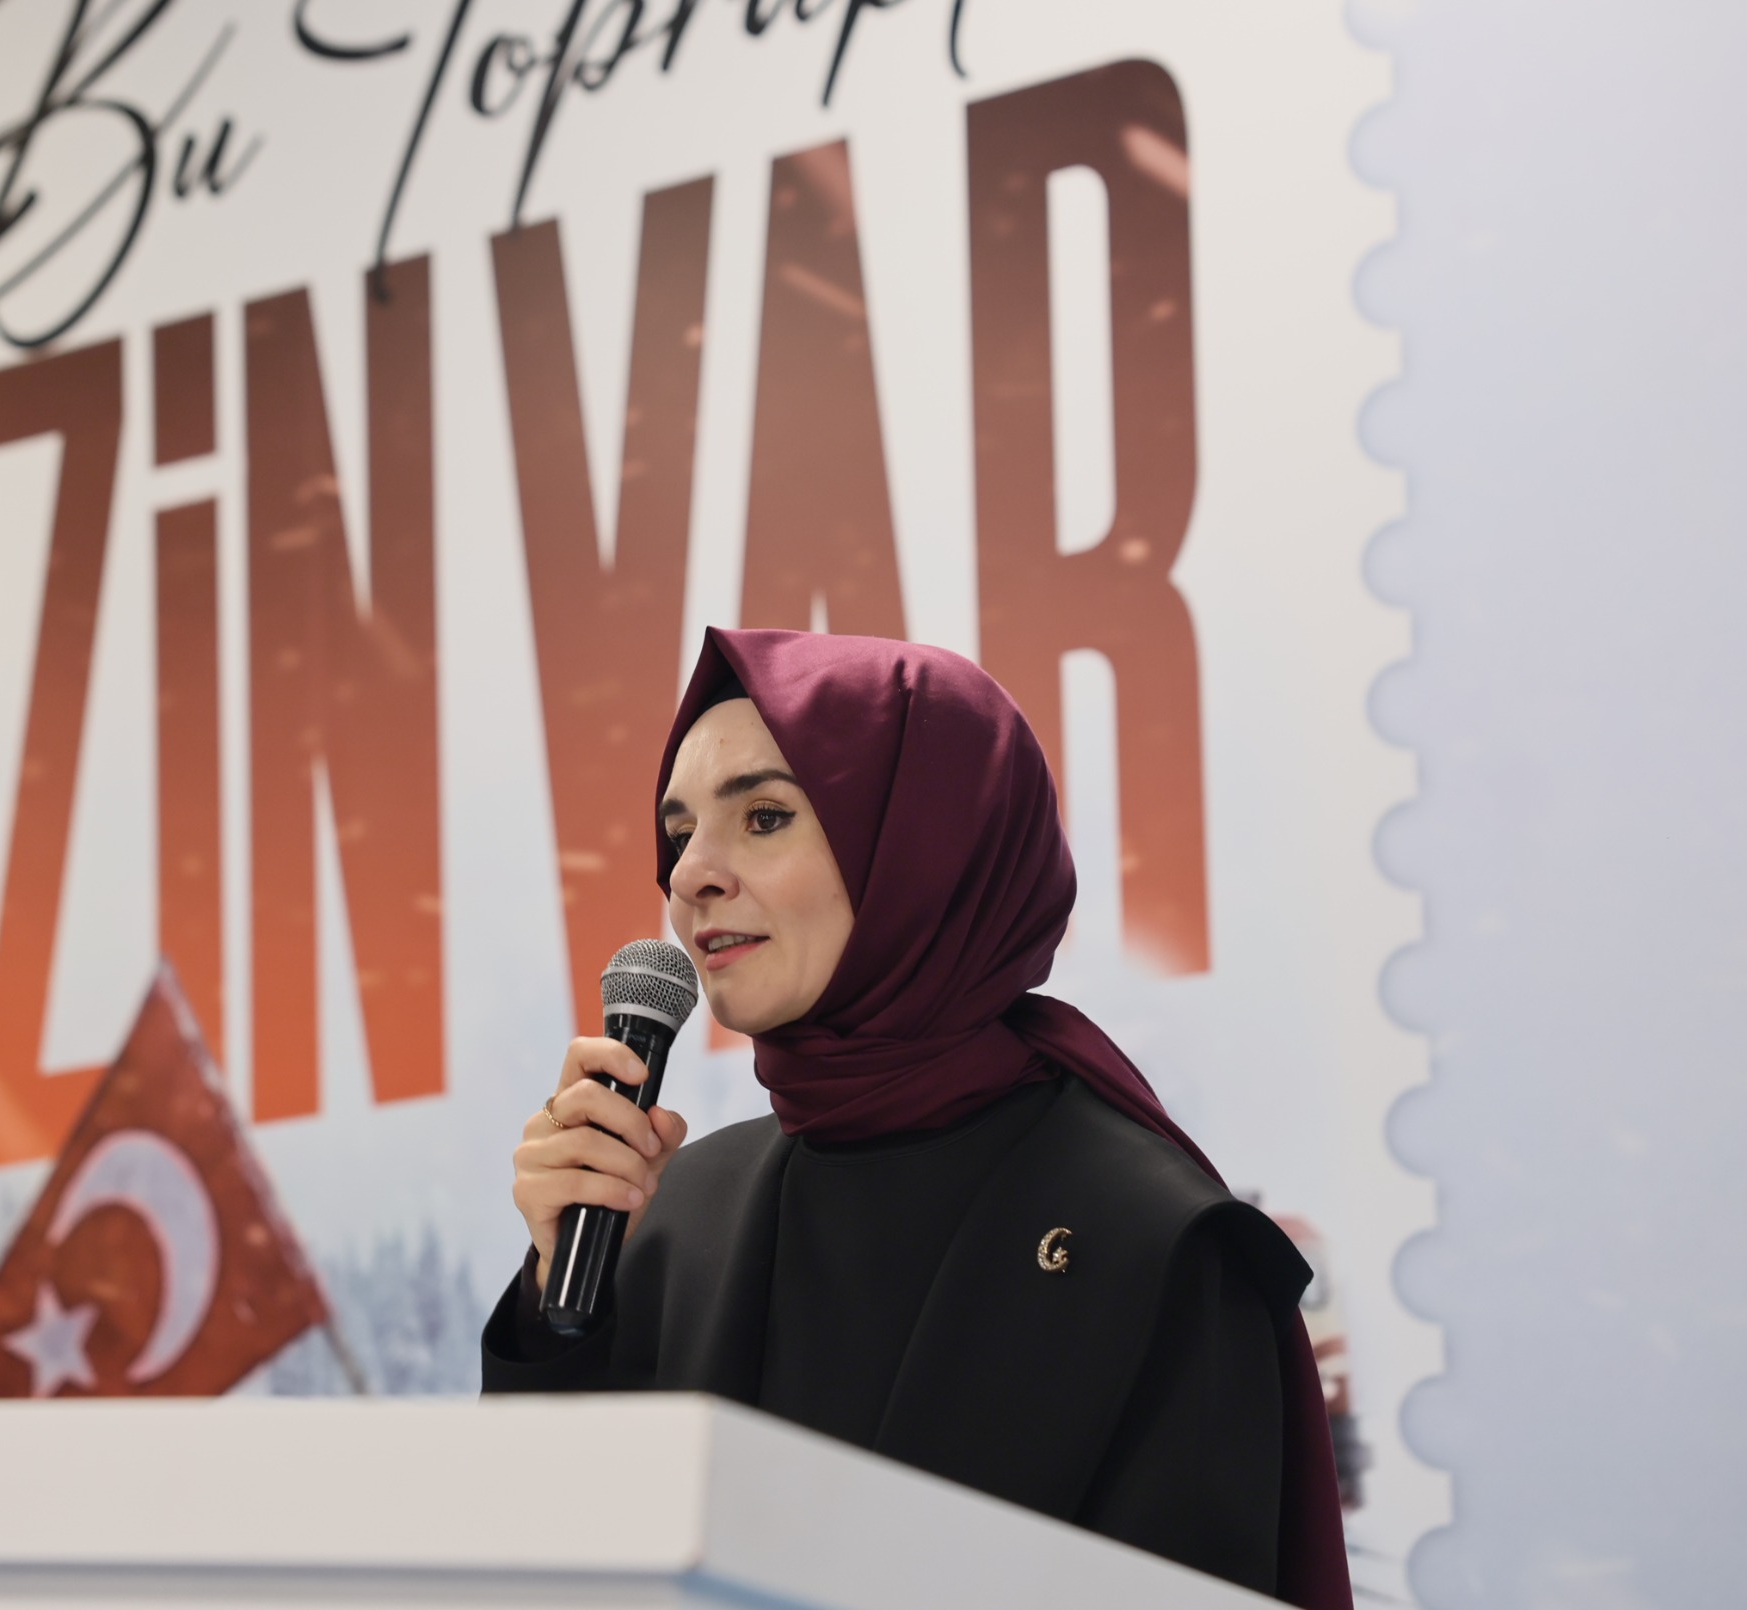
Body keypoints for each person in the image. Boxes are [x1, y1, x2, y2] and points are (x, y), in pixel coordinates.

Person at [483, 628, 1351, 1610]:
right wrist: (558, 1306)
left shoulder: (1154, 1243)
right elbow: (548, 1566)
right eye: (679, 834)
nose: (689, 876)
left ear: (928, 847)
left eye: (764, 816)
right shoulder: (673, 1212)